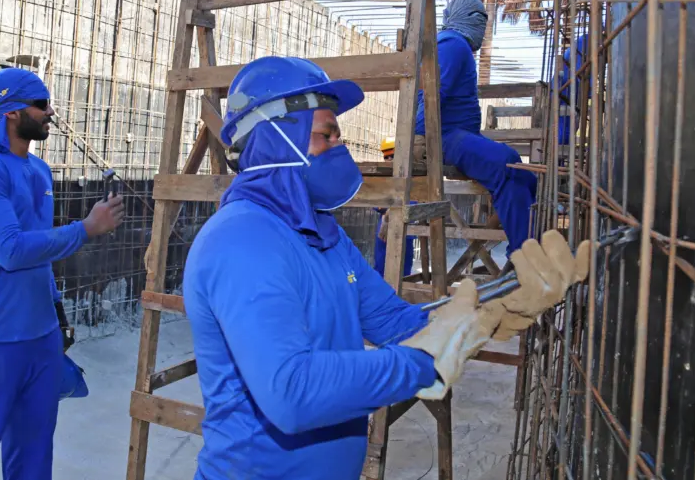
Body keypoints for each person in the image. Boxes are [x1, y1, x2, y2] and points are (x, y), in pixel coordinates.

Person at [182, 55, 593, 480]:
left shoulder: (323, 234)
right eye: (326, 135)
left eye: (339, 136)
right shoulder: (242, 240)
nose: (340, 149)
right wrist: (424, 360)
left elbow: (394, 321)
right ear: (276, 138)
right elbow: (292, 393)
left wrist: (487, 312)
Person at [0, 68, 124, 480]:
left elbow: (39, 250)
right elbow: (11, 250)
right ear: (11, 112)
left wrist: (57, 313)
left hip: (40, 337)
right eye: (41, 104)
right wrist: (86, 228)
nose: (50, 112)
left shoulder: (38, 171)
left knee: (34, 454)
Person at [412, 0, 538, 258]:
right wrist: (420, 137)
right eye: (479, 18)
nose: (483, 25)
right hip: (445, 136)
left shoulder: (455, 46)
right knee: (508, 163)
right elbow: (433, 94)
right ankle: (524, 257)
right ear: (463, 17)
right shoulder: (453, 44)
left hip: (458, 135)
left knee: (524, 175)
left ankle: (524, 251)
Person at [373, 137, 415, 278]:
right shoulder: (383, 178)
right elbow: (376, 204)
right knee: (381, 268)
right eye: (386, 157)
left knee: (403, 272)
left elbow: (413, 204)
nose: (389, 159)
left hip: (405, 232)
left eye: (392, 156)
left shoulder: (413, 178)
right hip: (384, 232)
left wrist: (389, 210)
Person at [555, 34, 588, 146]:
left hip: (568, 90)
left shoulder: (582, 42)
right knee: (564, 133)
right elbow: (582, 76)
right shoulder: (585, 44)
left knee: (566, 130)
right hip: (566, 90)